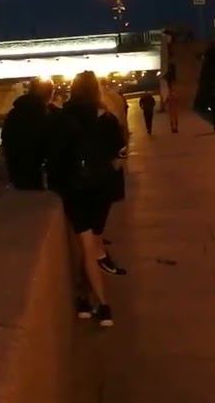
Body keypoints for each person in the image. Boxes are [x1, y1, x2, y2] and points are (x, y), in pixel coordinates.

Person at [52, 71, 126, 327]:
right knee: (92, 244)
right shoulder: (107, 118)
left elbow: (56, 157)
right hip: (102, 189)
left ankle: (96, 304)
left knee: (85, 246)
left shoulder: (63, 118)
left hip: (75, 189)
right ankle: (93, 302)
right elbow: (120, 157)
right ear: (96, 90)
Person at [1, 78, 55, 190]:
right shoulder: (45, 116)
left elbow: (6, 139)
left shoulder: (13, 114)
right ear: (49, 94)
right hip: (38, 175)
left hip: (16, 172)